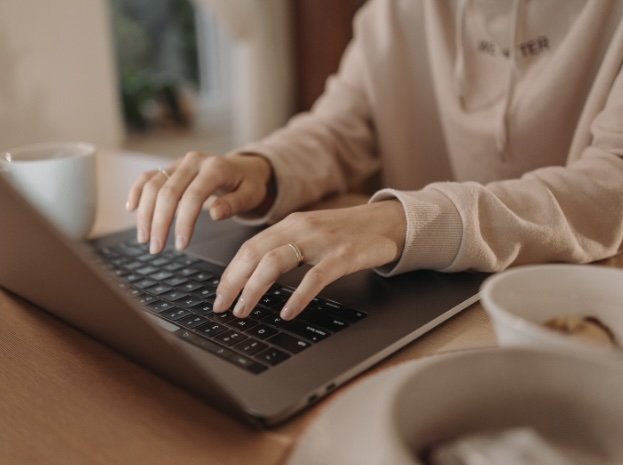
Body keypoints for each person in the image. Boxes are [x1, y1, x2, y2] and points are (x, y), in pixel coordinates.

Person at [126, 0, 623, 322]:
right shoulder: (392, 14)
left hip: (574, 310)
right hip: (423, 307)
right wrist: (262, 167)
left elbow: (609, 185)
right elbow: (338, 129)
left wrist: (400, 221)